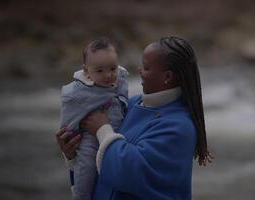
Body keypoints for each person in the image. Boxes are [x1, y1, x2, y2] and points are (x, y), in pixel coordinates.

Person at [56, 36, 211, 200]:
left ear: (167, 77)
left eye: (146, 67)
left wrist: (102, 129)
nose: (139, 70)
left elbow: (129, 172)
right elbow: (100, 163)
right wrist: (73, 153)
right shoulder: (130, 104)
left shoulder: (180, 127)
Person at [59, 37, 128, 200]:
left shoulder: (121, 81)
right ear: (86, 71)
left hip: (118, 133)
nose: (108, 75)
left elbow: (124, 101)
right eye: (99, 71)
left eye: (112, 68)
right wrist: (69, 137)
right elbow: (69, 117)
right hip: (89, 139)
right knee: (86, 168)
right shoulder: (78, 93)